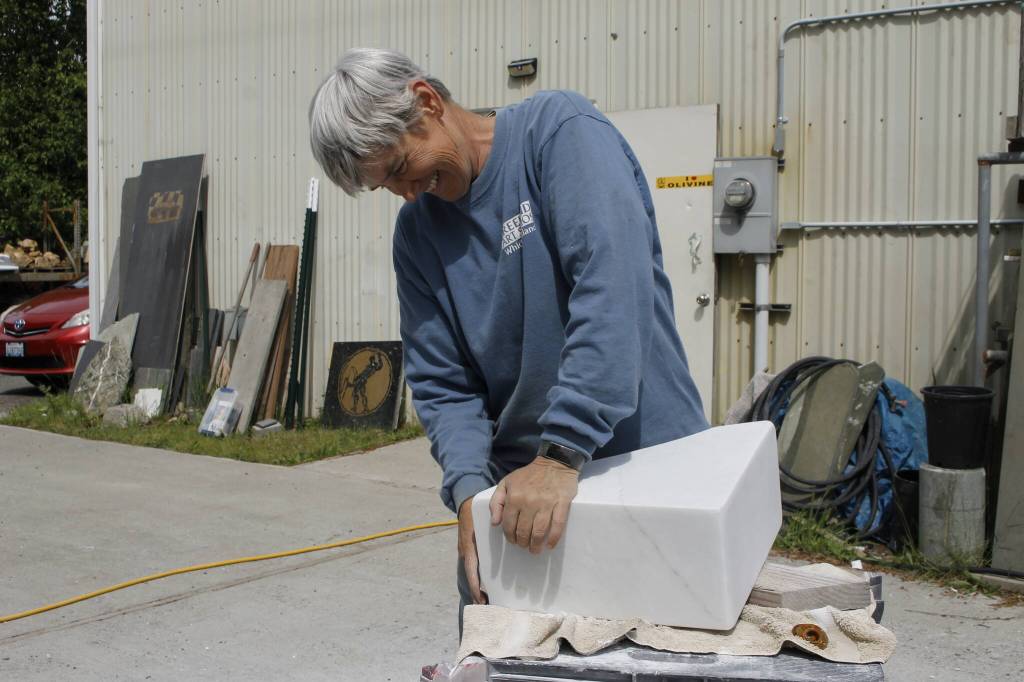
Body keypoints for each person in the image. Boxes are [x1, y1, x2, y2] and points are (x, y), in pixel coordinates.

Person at [309, 48, 709, 632]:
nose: (408, 194)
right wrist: (471, 490)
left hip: (643, 466)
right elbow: (443, 385)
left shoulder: (559, 134)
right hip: (524, 500)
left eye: (399, 168)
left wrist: (562, 452)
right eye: (386, 187)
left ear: (426, 101)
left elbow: (612, 291)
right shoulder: (417, 237)